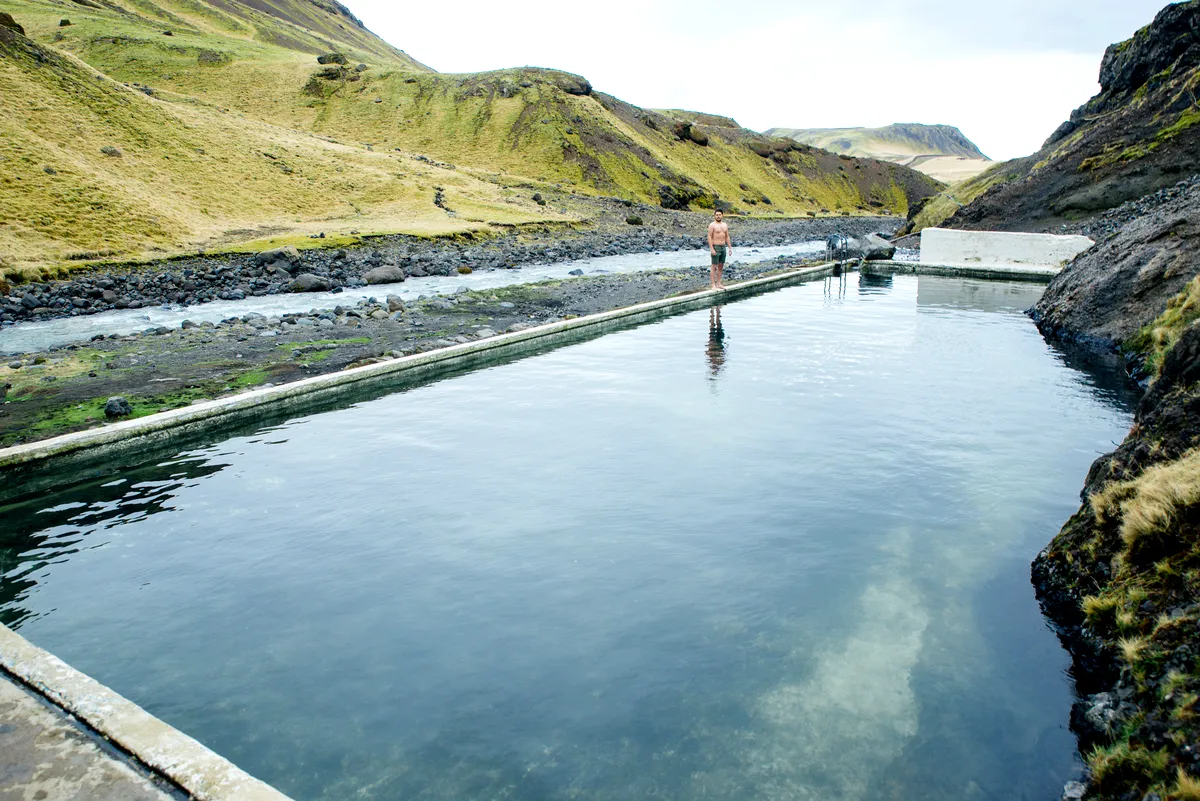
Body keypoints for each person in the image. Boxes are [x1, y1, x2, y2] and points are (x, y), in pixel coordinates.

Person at [707, 210, 732, 290]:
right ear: (714, 216)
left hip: (723, 247)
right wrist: (711, 249)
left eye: (719, 215)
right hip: (716, 246)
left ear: (722, 215)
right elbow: (709, 237)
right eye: (717, 215)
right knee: (714, 266)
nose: (718, 216)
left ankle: (719, 283)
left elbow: (727, 236)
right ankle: (713, 285)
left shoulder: (725, 225)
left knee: (721, 265)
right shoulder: (712, 225)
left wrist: (730, 247)